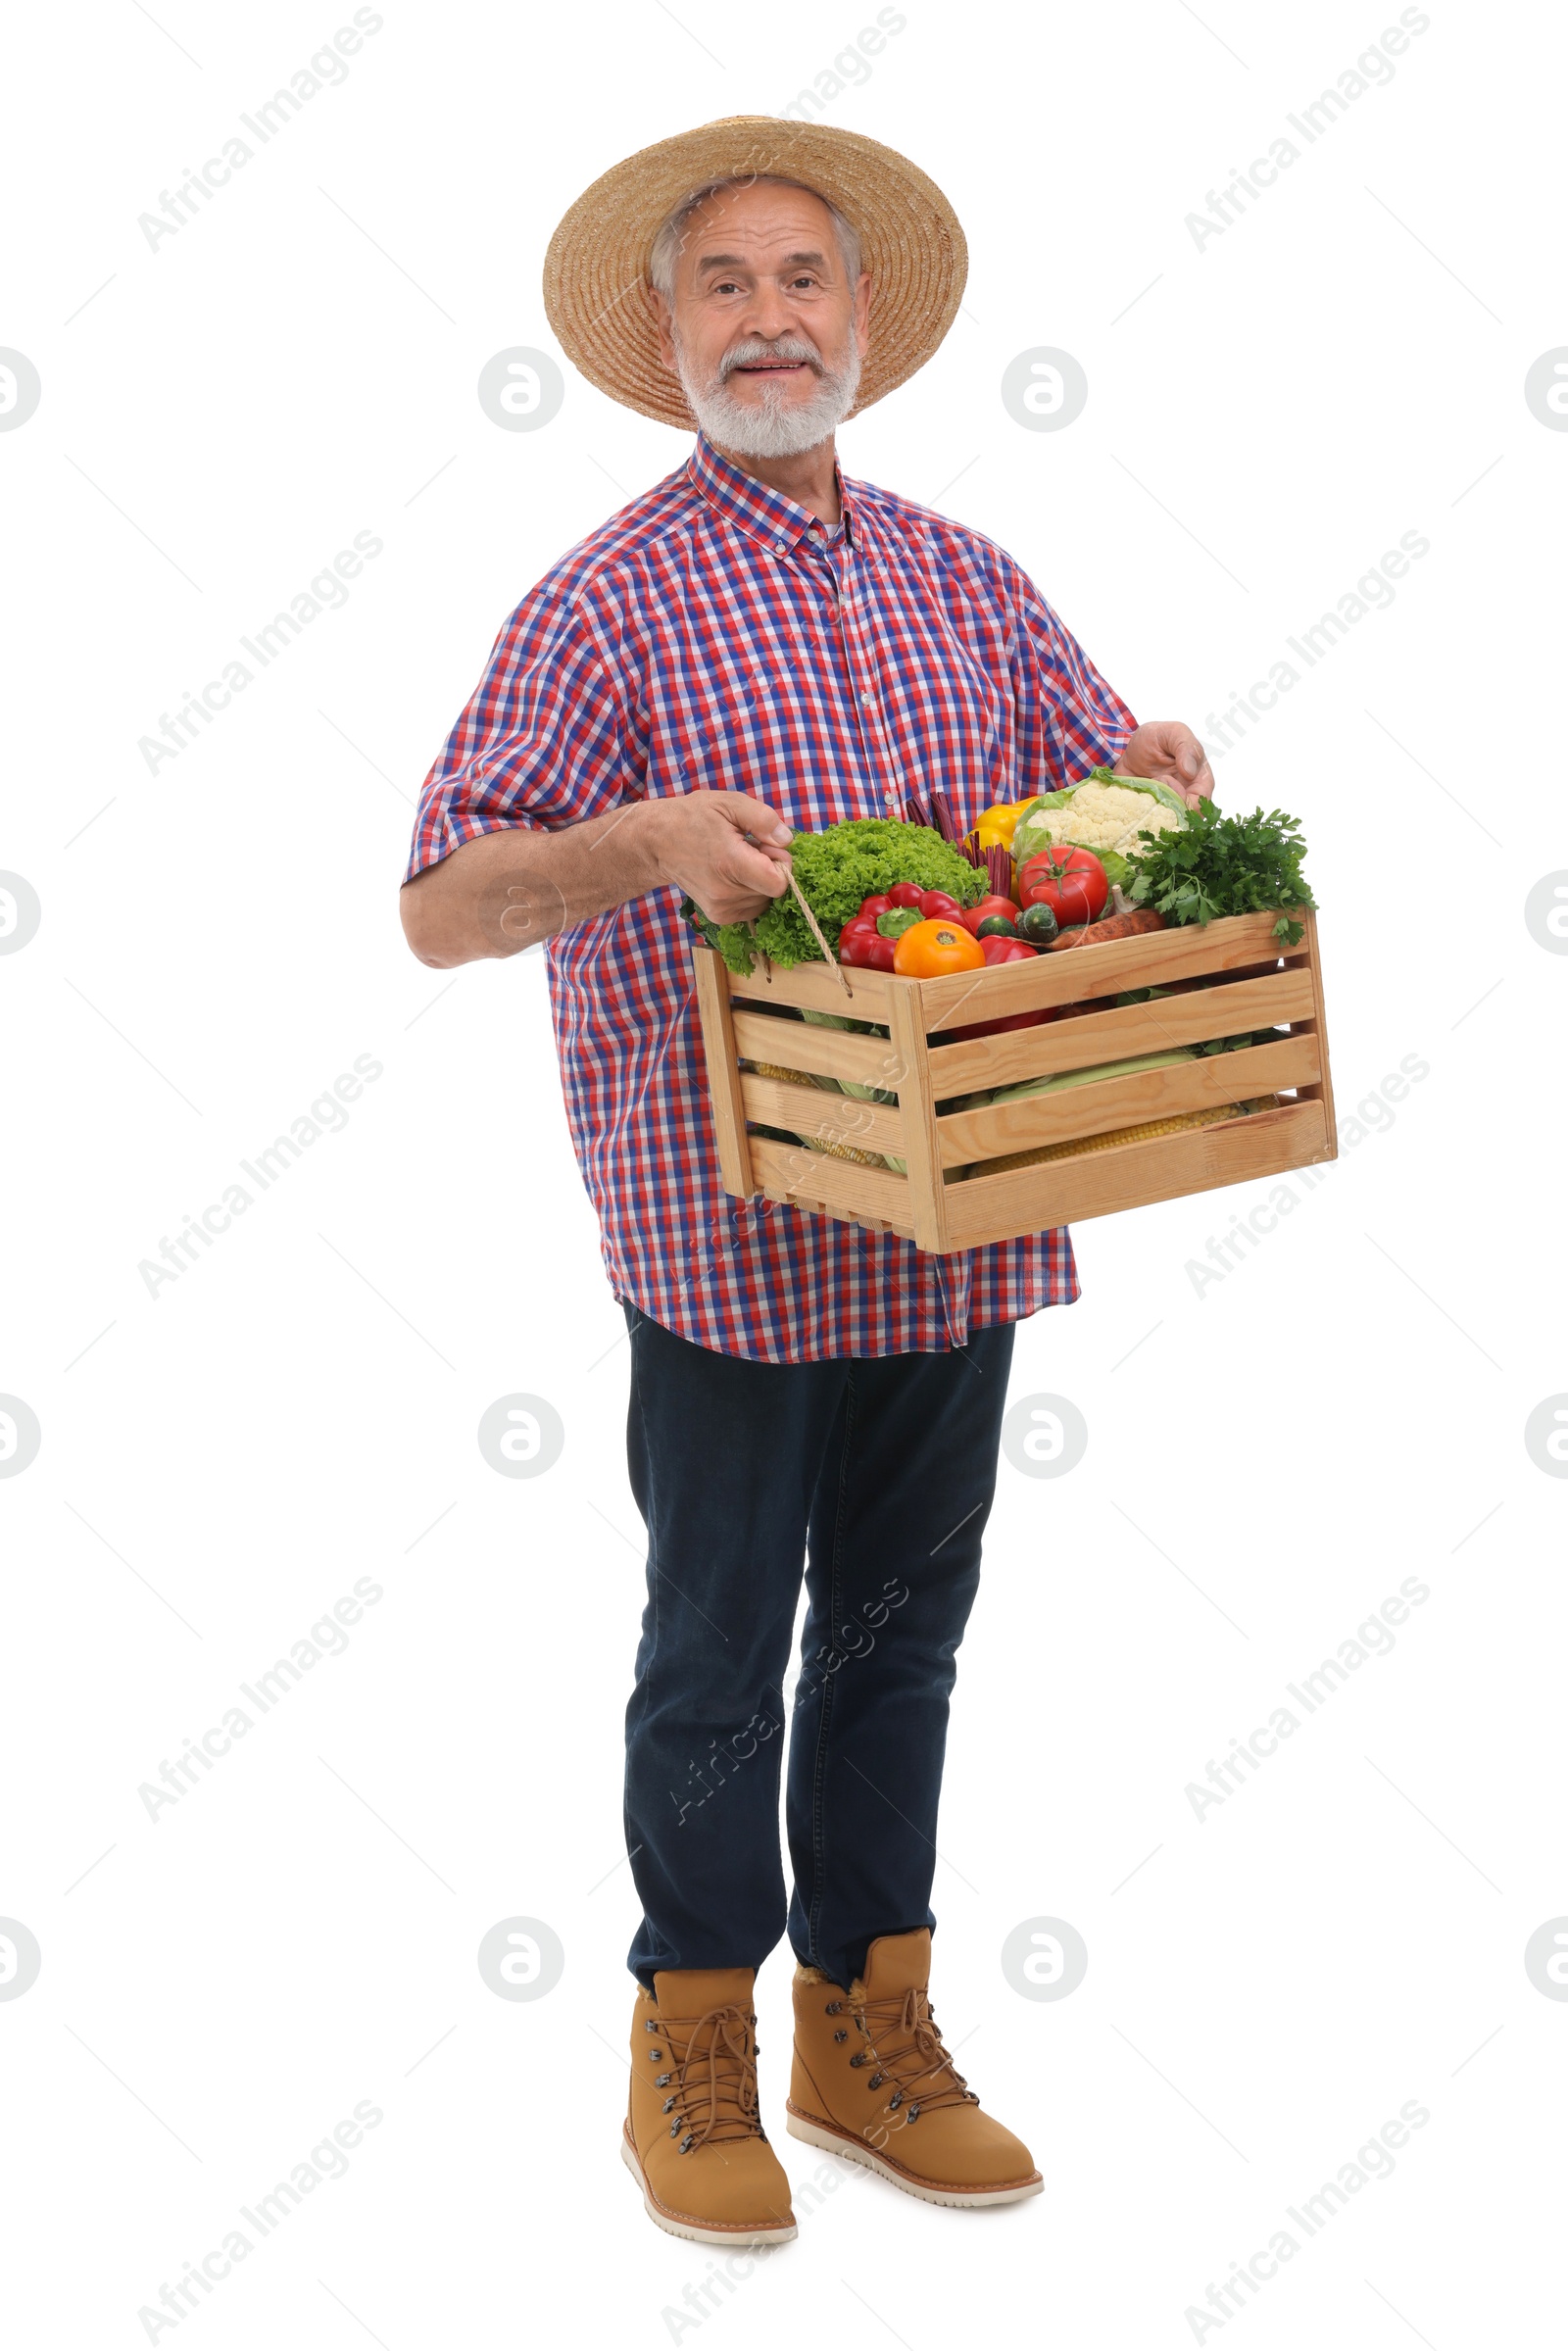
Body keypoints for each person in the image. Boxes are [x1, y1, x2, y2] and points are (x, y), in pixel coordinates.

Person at [400, 117, 1213, 2248]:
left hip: (959, 1204)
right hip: (726, 1222)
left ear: (860, 322)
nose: (770, 317)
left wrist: (1152, 786)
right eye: (725, 287)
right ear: (665, 341)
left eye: (802, 281)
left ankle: (868, 2023)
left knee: (901, 1642)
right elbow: (444, 902)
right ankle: (689, 2037)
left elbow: (1077, 822)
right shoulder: (599, 606)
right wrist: (638, 846)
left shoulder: (968, 577)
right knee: (710, 1645)